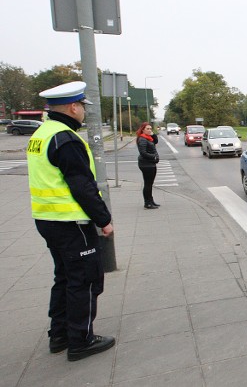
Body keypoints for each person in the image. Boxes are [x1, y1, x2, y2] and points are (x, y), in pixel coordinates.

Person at [26, 81, 115, 361]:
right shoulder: (65, 139)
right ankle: (81, 340)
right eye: (82, 108)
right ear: (73, 107)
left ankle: (60, 335)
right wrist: (104, 219)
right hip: (72, 222)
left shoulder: (42, 133)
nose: (83, 113)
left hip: (48, 219)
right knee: (85, 279)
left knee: (64, 277)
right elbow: (82, 186)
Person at [136, 122, 160, 209]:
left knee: (150, 183)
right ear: (143, 130)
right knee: (148, 184)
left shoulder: (148, 138)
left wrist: (153, 134)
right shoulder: (142, 139)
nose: (150, 130)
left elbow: (156, 141)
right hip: (146, 164)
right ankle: (147, 203)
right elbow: (143, 153)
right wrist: (154, 157)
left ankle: (151, 200)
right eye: (147, 129)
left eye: (150, 129)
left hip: (150, 164)